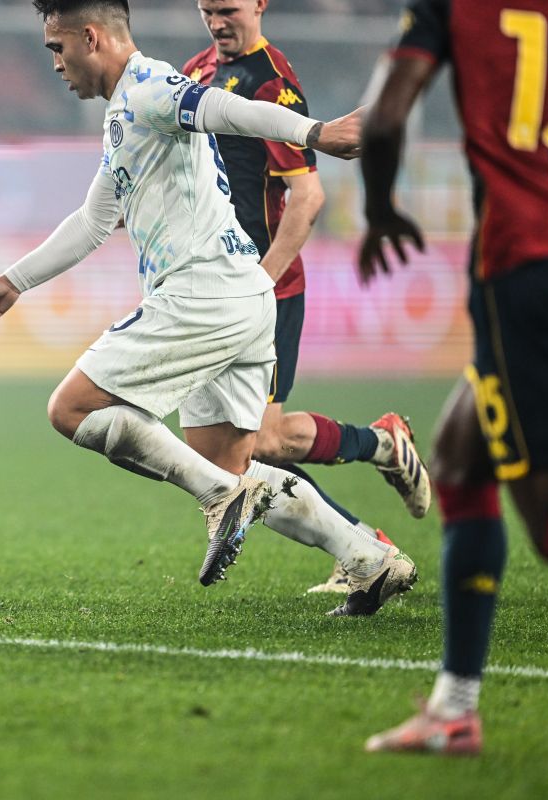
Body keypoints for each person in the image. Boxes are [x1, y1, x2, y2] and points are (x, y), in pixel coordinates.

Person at [0, 0, 417, 617]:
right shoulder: (126, 110)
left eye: (56, 48)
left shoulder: (151, 86)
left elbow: (224, 109)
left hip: (202, 293)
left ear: (90, 38)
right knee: (228, 463)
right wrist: (13, 283)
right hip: (242, 296)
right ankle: (367, 558)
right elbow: (95, 219)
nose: (55, 64)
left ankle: (220, 499)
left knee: (70, 409)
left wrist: (314, 134)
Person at [360, 0, 548, 754]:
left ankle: (454, 712)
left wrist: (380, 208)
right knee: (460, 457)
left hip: (530, 267)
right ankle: (454, 710)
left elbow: (385, 118)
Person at [183, 0, 431, 596]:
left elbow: (308, 197)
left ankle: (368, 523)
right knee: (232, 458)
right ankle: (375, 481)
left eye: (228, 9)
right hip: (216, 289)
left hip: (268, 289)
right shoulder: (195, 72)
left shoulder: (273, 82)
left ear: (259, 3)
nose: (217, 21)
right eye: (207, 9)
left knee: (260, 444)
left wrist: (260, 282)